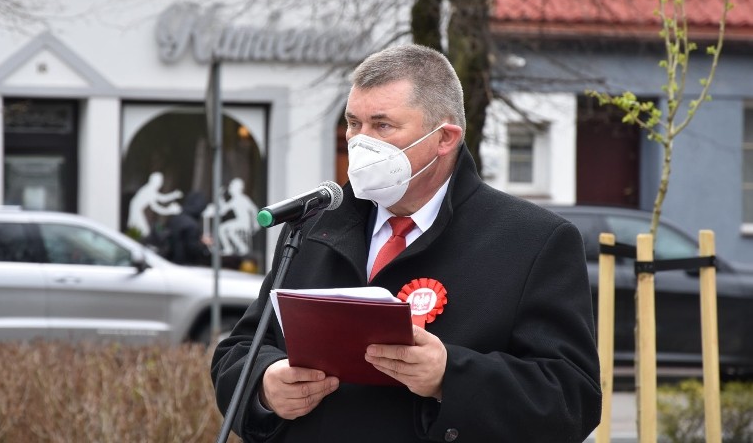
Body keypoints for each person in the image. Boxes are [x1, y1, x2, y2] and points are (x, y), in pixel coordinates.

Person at [211, 44, 601, 442]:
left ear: (444, 138)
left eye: (382, 126)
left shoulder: (533, 241)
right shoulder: (312, 227)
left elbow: (572, 398)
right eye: (353, 123)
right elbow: (239, 350)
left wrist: (450, 376)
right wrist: (264, 386)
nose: (360, 143)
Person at [166, 190, 213, 266]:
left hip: (171, 262)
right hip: (184, 264)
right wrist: (204, 244)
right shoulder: (191, 225)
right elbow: (192, 248)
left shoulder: (176, 219)